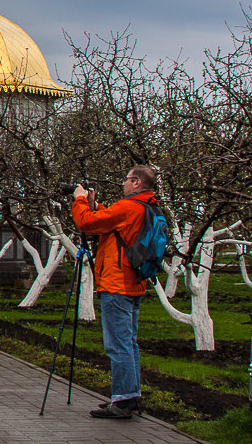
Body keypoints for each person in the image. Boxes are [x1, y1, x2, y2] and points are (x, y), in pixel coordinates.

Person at [71, 164, 162, 420]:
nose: (122, 184)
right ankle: (129, 395)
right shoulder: (146, 207)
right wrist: (93, 203)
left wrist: (80, 201)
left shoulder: (128, 206)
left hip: (116, 283)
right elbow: (110, 221)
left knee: (118, 345)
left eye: (126, 179)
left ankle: (122, 401)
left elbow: (86, 223)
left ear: (137, 183)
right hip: (133, 282)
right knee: (129, 343)